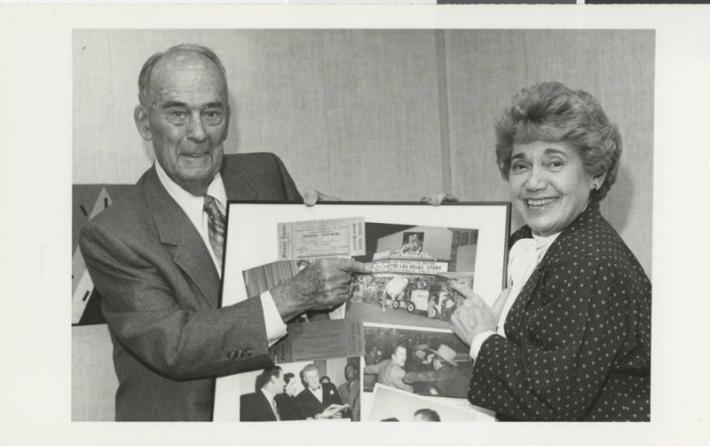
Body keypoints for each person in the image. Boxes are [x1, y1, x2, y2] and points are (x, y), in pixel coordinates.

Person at [79, 44, 369, 421]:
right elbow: (176, 345)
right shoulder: (113, 233)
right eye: (177, 113)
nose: (198, 133)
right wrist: (290, 297)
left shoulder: (267, 174)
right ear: (144, 122)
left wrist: (381, 229)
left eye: (211, 113)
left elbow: (323, 297)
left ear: (228, 119)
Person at [446, 81, 651, 421]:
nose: (533, 182)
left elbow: (552, 401)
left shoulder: (590, 260)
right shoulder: (530, 243)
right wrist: (443, 221)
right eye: (520, 165)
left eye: (554, 163)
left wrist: (481, 338)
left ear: (595, 174)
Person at [402, 344, 468, 397]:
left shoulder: (440, 374)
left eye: (434, 358)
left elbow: (407, 378)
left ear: (437, 360)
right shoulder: (454, 372)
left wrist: (426, 364)